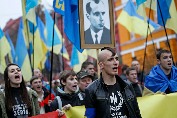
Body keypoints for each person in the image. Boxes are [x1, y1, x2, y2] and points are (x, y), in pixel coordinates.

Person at [85, 47, 141, 118]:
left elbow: (137, 113)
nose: (115, 62)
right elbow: (90, 116)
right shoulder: (91, 90)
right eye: (110, 59)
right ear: (101, 65)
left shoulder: (127, 86)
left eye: (117, 59)